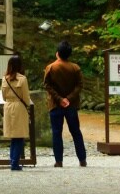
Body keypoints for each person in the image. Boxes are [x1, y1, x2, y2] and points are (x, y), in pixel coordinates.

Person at [43, 39, 86, 168]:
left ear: (57, 53)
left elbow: (47, 85)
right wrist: (69, 98)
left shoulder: (51, 67)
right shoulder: (75, 68)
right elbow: (79, 85)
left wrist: (59, 99)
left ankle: (59, 161)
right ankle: (82, 159)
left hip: (55, 104)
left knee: (56, 132)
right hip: (71, 105)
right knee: (75, 131)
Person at [1, 53, 32, 171]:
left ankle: (12, 160)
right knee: (20, 136)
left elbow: (3, 96)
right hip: (19, 107)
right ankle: (14, 162)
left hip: (8, 106)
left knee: (13, 136)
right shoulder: (23, 79)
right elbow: (26, 97)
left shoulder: (4, 79)